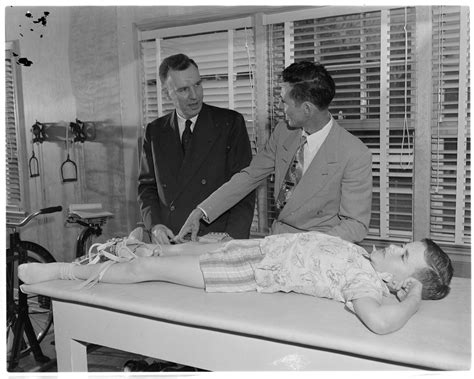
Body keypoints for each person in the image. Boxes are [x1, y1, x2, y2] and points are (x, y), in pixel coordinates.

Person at [19, 231, 453, 335]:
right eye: (403, 244)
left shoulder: (366, 282)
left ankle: (57, 272)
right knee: (162, 251)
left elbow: (379, 322)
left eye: (403, 256)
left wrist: (412, 300)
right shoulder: (361, 254)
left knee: (146, 270)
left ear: (402, 284)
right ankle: (128, 248)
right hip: (248, 248)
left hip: (245, 272)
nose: (394, 247)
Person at [175, 61, 372, 244]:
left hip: (316, 249)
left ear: (307, 109)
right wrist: (201, 211)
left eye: (284, 102)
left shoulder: (354, 153)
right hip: (276, 240)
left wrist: (307, 249)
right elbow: (250, 176)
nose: (279, 107)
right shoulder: (283, 131)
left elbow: (356, 225)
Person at [138, 53, 255, 244]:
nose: (195, 95)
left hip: (214, 239)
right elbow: (147, 187)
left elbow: (244, 188)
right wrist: (155, 226)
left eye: (198, 84)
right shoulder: (155, 131)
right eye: (184, 89)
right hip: (171, 239)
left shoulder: (230, 123)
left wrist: (233, 240)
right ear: (168, 93)